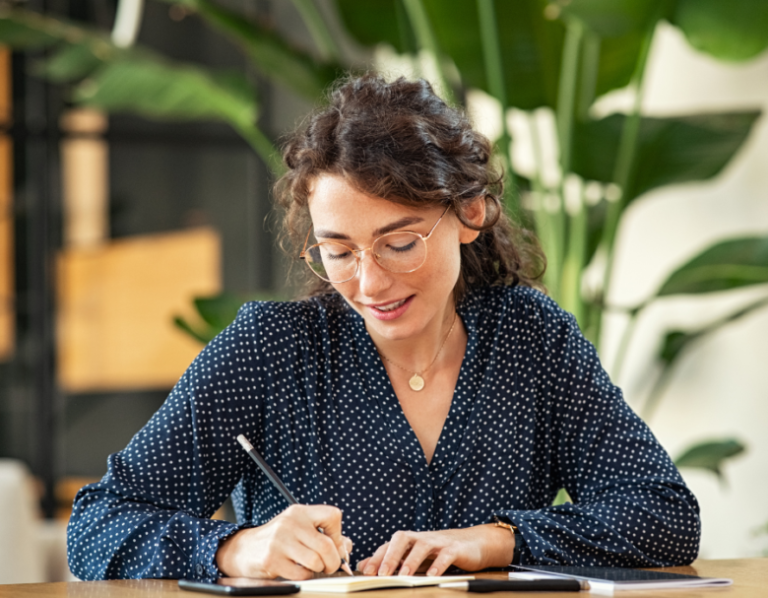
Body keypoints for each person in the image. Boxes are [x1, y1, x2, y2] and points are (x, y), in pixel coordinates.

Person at [67, 74, 700, 582]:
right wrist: (237, 548)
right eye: (339, 251)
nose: (370, 284)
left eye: (399, 243)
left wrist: (498, 541)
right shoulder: (270, 349)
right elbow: (97, 527)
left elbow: (663, 513)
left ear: (470, 212)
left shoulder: (530, 339)